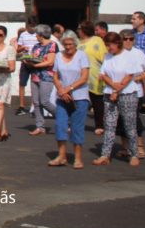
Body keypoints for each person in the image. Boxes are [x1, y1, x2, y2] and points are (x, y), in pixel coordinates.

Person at [93, 32, 140, 167]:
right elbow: (103, 74)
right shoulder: (107, 57)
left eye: (110, 45)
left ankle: (134, 154)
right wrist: (113, 87)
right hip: (110, 92)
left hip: (127, 93)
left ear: (117, 43)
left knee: (129, 125)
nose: (108, 48)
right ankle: (105, 154)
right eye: (106, 45)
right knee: (109, 124)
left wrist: (117, 90)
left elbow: (129, 75)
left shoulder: (128, 56)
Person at [49, 30, 90, 169]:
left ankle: (78, 158)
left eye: (70, 44)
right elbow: (55, 75)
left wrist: (69, 89)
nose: (67, 47)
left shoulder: (82, 56)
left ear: (75, 44)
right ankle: (62, 156)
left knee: (77, 127)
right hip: (62, 97)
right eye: (65, 44)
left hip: (79, 97)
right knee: (60, 125)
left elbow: (84, 77)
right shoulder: (59, 56)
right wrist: (61, 90)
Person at [119, 29, 145, 159]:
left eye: (131, 39)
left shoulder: (138, 53)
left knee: (133, 119)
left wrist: (139, 77)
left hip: (135, 91)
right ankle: (125, 147)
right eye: (125, 39)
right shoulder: (117, 54)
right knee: (120, 120)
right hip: (120, 90)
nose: (128, 41)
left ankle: (139, 146)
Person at [22, 23, 58, 136]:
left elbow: (50, 61)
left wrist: (36, 65)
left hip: (47, 76)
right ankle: (40, 126)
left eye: (37, 33)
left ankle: (63, 118)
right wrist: (27, 61)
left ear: (41, 34)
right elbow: (33, 58)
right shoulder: (36, 46)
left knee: (45, 101)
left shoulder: (52, 45)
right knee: (36, 102)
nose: (36, 36)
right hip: (35, 75)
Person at [77, 20, 106, 136]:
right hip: (81, 75)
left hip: (95, 75)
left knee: (97, 102)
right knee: (79, 102)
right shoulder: (79, 43)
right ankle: (76, 123)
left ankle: (100, 125)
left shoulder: (97, 41)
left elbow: (104, 56)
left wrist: (105, 72)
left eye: (79, 29)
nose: (78, 31)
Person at [15, 18, 39, 116]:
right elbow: (18, 49)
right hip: (25, 62)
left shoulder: (38, 35)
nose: (32, 27)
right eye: (31, 25)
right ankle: (22, 106)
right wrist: (23, 48)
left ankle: (34, 106)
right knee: (22, 84)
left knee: (35, 84)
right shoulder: (23, 35)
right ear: (28, 25)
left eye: (34, 25)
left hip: (35, 62)